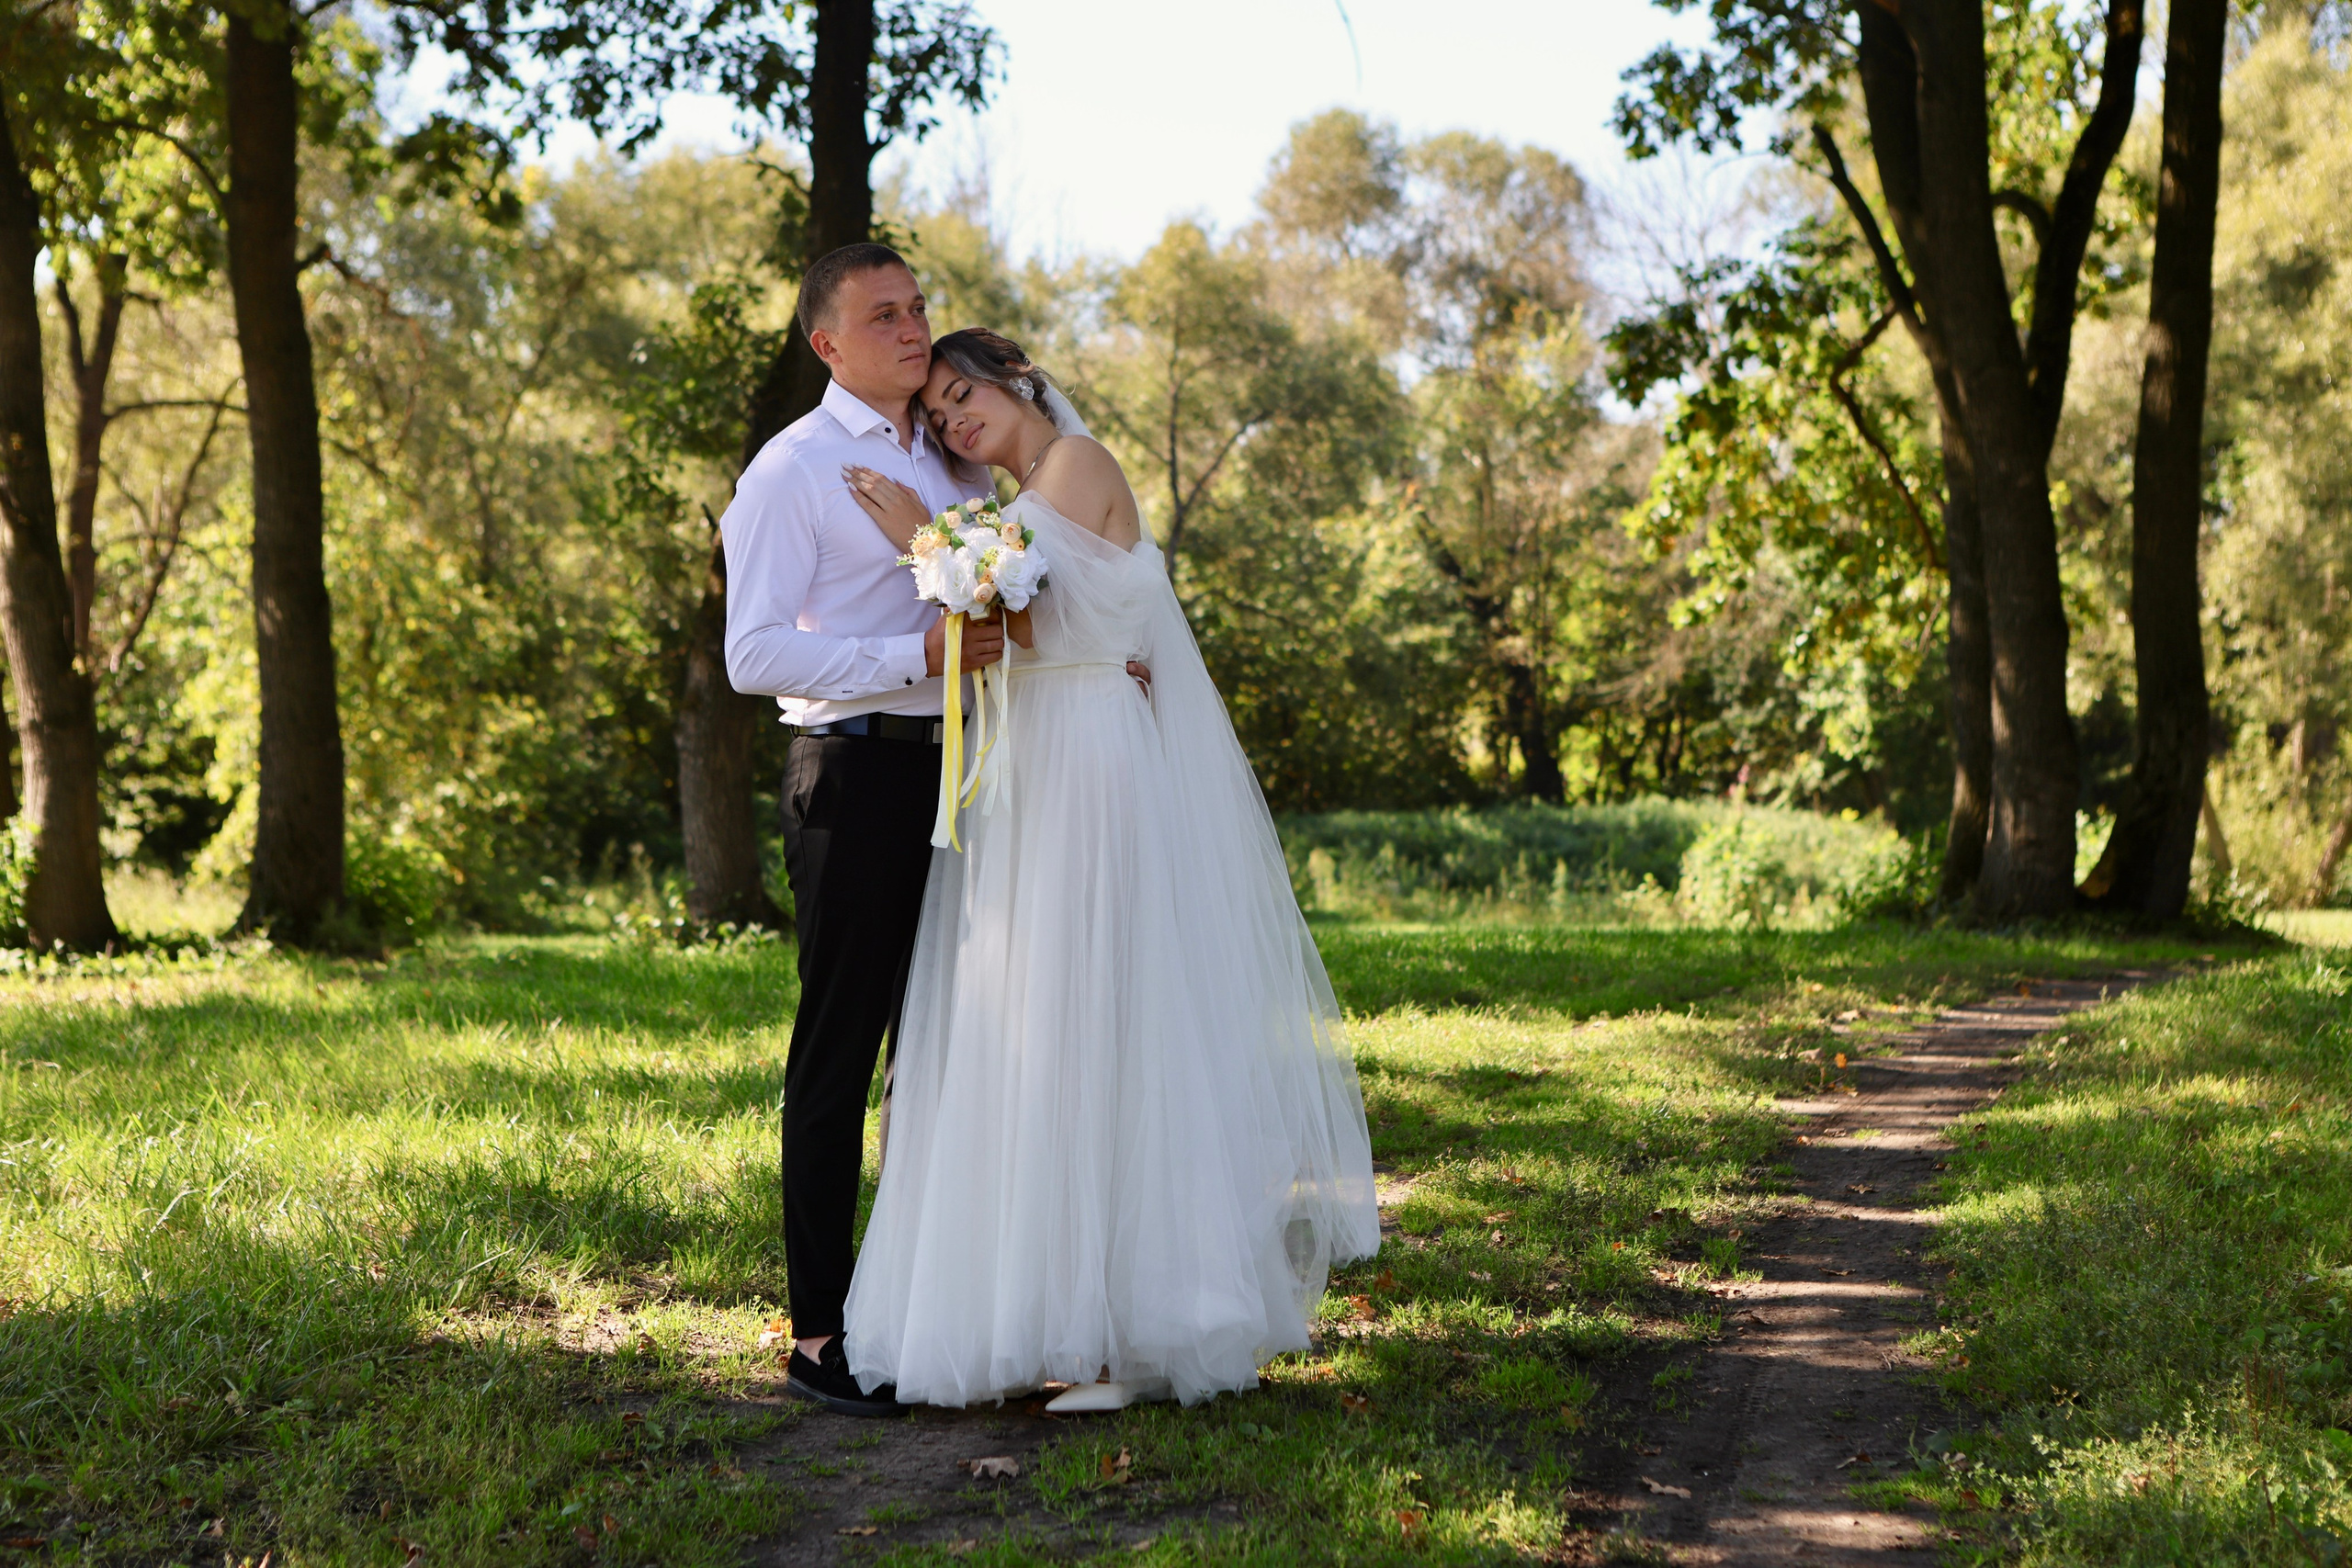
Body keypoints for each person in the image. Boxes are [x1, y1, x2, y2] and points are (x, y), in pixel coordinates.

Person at [833, 328, 1381, 1411]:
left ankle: (1131, 1335)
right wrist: (955, 541)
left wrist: (922, 540)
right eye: (938, 415)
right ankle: (1049, 1314)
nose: (952, 422)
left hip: (1086, 757)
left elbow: (1016, 613)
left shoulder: (1075, 467)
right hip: (1031, 764)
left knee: (1098, 1015)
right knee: (1030, 1022)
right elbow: (1012, 610)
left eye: (961, 396)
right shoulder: (1015, 498)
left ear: (1018, 383)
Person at [719, 244, 1005, 1417]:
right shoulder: (792, 471)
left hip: (971, 777)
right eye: (881, 314)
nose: (910, 327)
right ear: (826, 344)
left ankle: (928, 1308)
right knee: (840, 1056)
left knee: (947, 1054)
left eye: (918, 307)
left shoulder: (952, 456)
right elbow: (753, 654)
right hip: (856, 778)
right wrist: (914, 657)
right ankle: (821, 1335)